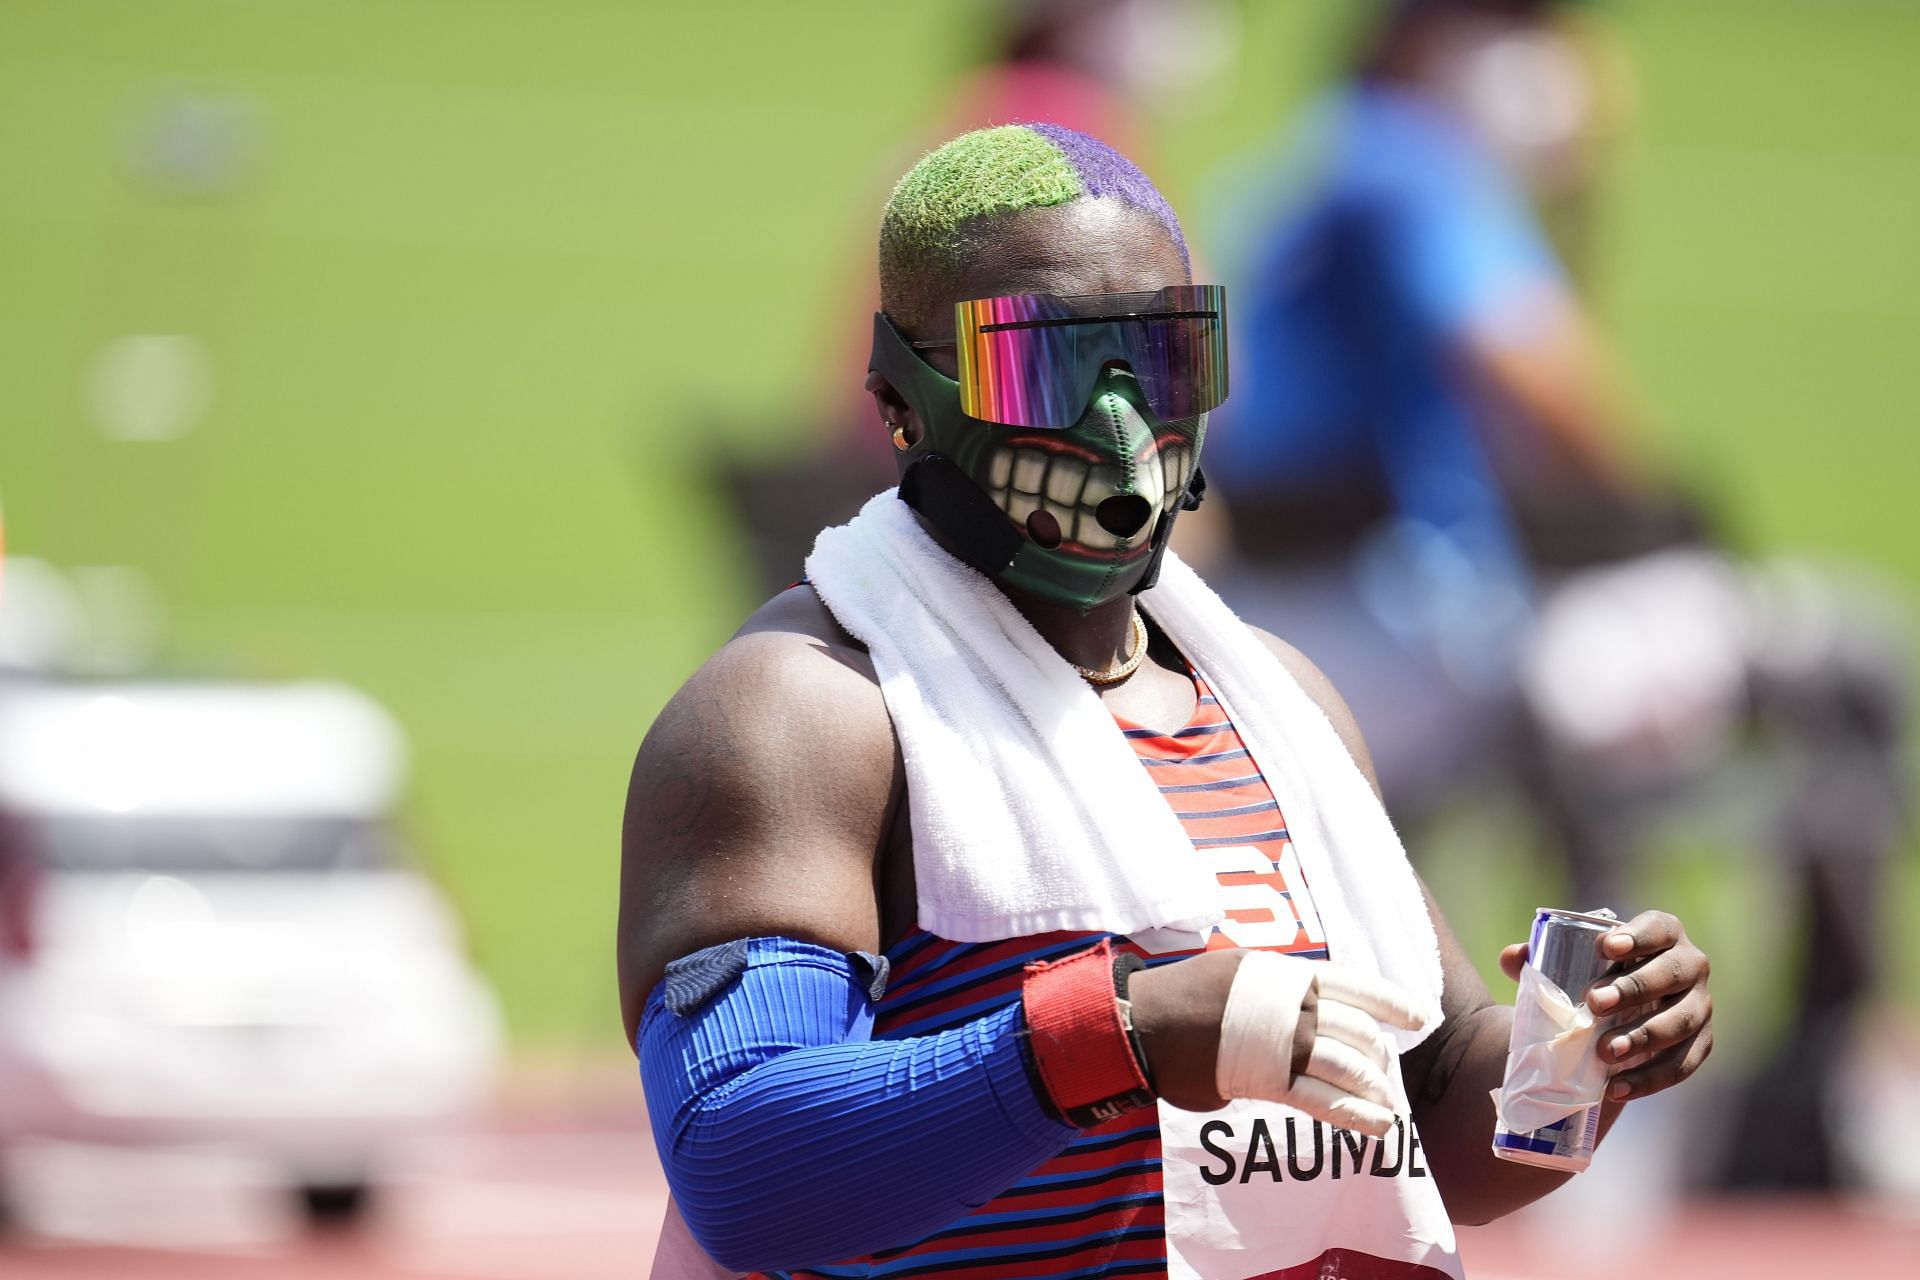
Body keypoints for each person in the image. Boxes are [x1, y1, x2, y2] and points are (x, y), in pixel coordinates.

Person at [619, 124, 1714, 1279]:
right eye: (1047, 362)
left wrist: (1585, 1054)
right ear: (903, 399)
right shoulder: (803, 713)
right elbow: (739, 1159)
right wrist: (1116, 1031)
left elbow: (1434, 1109)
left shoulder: (1277, 699)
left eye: (1162, 356)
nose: (1121, 423)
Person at [1201, 0, 1904, 1189]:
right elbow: (1533, 367)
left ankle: (1737, 1091)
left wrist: (1568, 209)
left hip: (1307, 614)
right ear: (1436, 37)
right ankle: (1793, 1090)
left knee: (1632, 675)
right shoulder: (1412, 167)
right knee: (1847, 654)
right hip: (1395, 631)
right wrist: (1668, 519)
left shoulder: (1315, 161)